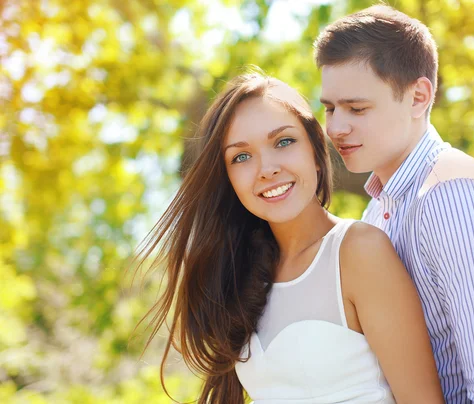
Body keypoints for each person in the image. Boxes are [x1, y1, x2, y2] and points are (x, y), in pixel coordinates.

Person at [134, 72, 444, 404]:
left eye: (283, 141)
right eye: (241, 156)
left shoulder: (358, 251)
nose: (266, 168)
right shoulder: (243, 275)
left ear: (316, 153)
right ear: (229, 180)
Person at [315, 5, 474, 403]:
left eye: (357, 108)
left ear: (418, 97)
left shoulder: (457, 199)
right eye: (330, 108)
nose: (335, 127)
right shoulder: (380, 210)